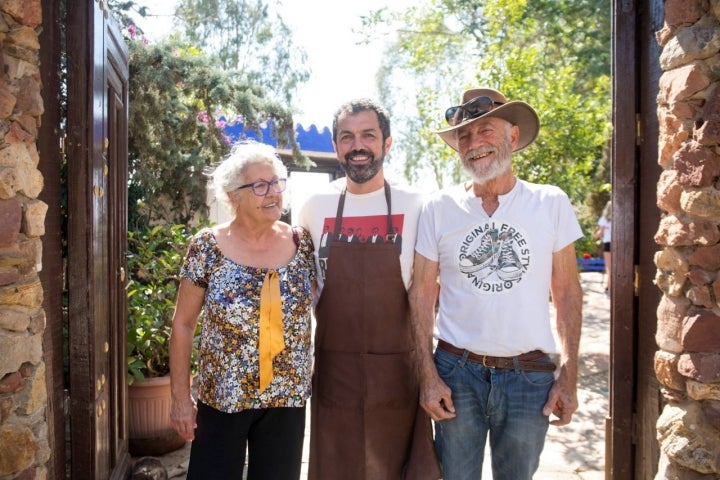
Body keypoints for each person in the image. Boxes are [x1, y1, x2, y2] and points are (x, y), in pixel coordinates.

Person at [409, 87, 584, 480]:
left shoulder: (550, 202)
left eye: (486, 130)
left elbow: (569, 292)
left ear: (513, 137)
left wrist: (569, 375)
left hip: (530, 377)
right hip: (456, 373)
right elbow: (420, 294)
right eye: (464, 136)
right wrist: (427, 375)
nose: (474, 144)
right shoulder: (438, 208)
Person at [296, 98, 441, 479]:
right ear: (335, 146)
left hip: (399, 373)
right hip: (334, 372)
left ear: (387, 143)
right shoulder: (313, 207)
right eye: (347, 137)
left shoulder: (418, 206)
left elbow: (428, 293)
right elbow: (301, 287)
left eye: (368, 135)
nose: (357, 145)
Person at [168, 141, 317, 479]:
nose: (273, 193)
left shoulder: (300, 243)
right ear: (233, 195)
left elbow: (321, 308)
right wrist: (180, 398)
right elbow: (183, 325)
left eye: (277, 182)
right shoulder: (207, 247)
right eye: (260, 186)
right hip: (223, 398)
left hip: (285, 397)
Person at [596, 200, 612, 294]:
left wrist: (595, 235)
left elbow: (600, 233)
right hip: (616, 243)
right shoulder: (618, 217)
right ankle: (610, 286)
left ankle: (608, 287)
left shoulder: (604, 219)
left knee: (609, 267)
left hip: (608, 244)